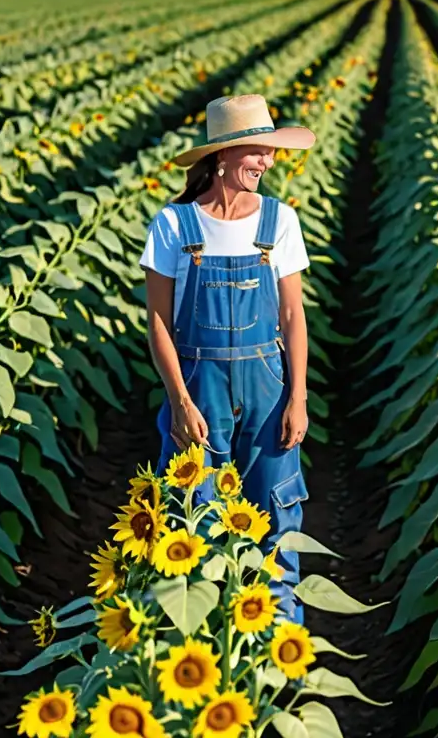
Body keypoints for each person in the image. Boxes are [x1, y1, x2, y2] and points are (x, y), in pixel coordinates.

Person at [140, 93, 315, 623]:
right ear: (221, 157)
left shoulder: (279, 222)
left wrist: (298, 398)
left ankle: (278, 658)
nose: (266, 162)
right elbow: (158, 323)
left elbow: (293, 317)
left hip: (268, 386)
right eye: (256, 152)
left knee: (276, 518)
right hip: (197, 387)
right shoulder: (174, 226)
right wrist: (180, 402)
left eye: (269, 152)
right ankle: (202, 646)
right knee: (193, 522)